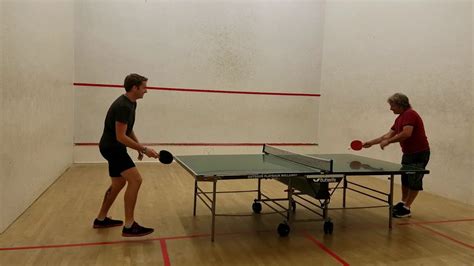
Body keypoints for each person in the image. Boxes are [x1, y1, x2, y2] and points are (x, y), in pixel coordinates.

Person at [93, 73, 159, 236]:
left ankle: (101, 219)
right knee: (136, 180)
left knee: (118, 183)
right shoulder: (123, 106)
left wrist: (138, 146)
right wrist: (144, 150)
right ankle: (129, 226)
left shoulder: (131, 103)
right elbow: (120, 136)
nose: (146, 91)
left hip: (112, 147)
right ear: (134, 87)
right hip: (113, 148)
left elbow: (127, 129)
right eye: (144, 87)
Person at [362, 93, 430, 218]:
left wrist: (388, 142)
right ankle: (403, 202)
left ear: (400, 105)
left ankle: (407, 207)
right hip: (408, 153)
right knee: (405, 178)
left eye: (392, 105)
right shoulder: (399, 118)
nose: (390, 108)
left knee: (414, 180)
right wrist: (370, 143)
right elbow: (387, 135)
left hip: (419, 153)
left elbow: (406, 133)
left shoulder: (410, 114)